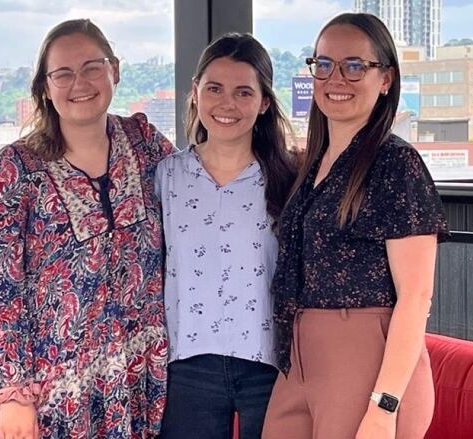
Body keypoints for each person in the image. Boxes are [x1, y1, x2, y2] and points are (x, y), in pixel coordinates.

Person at [0, 18, 173, 439]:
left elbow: (205, 180)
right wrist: (12, 393)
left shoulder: (144, 144)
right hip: (51, 391)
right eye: (62, 73)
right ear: (45, 87)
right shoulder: (18, 169)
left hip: (139, 379)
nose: (79, 82)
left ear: (114, 69)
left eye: (91, 67)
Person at [261, 12, 449, 439]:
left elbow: (416, 297)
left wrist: (384, 408)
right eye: (324, 64)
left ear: (385, 79)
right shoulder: (311, 163)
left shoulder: (395, 163)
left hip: (364, 356)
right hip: (300, 357)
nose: (335, 78)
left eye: (354, 65)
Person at [155, 33, 296, 439]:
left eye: (243, 92)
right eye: (214, 88)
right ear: (195, 92)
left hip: (269, 366)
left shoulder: (288, 179)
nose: (227, 104)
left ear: (264, 102)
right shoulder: (166, 176)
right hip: (187, 365)